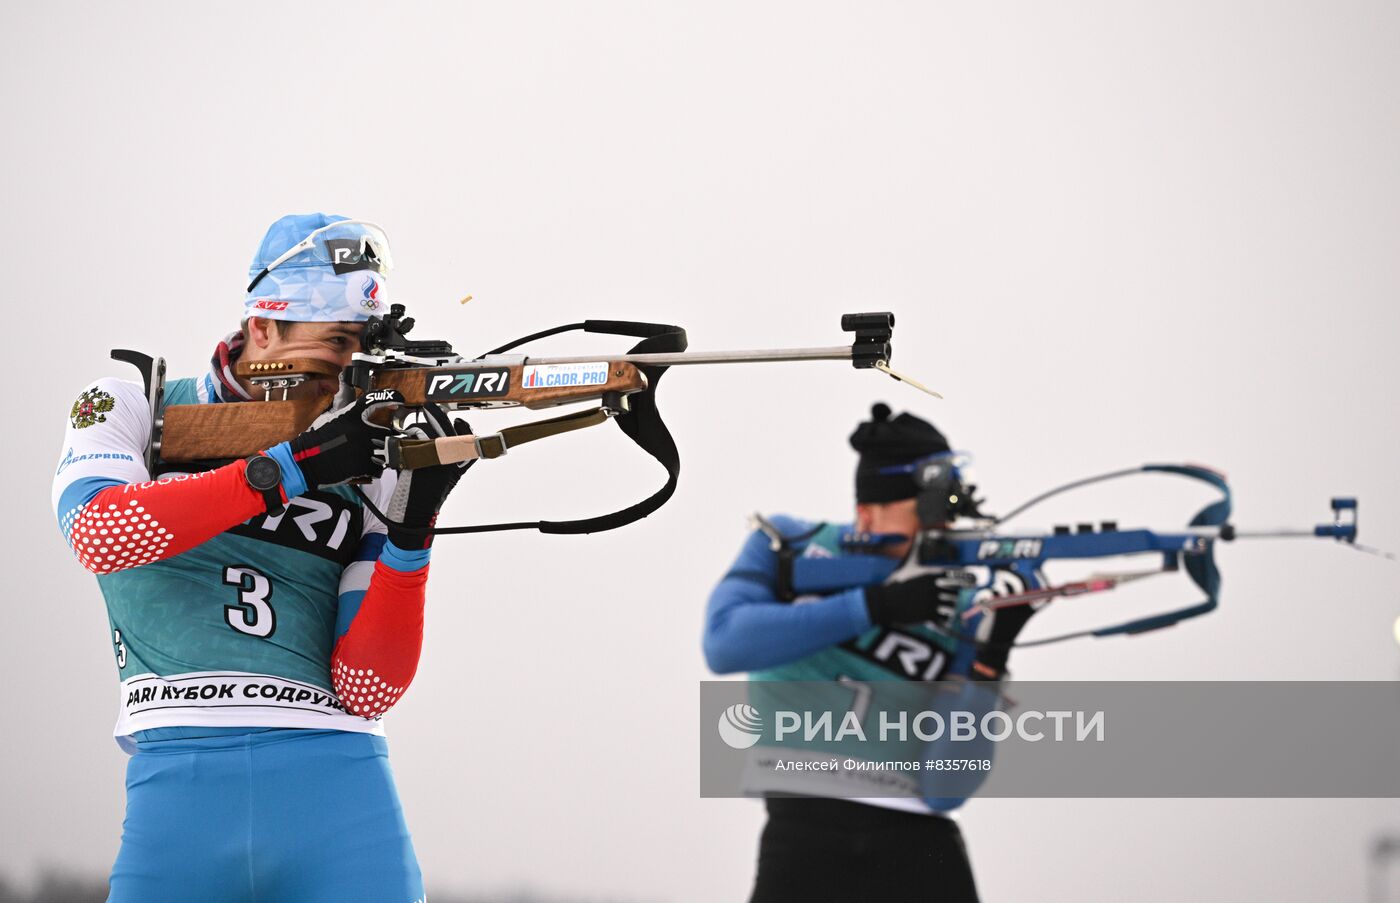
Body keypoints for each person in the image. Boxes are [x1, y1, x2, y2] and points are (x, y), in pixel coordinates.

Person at [52, 213, 466, 903]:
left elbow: (368, 686)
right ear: (263, 330)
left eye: (363, 346)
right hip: (176, 791)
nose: (348, 368)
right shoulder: (133, 404)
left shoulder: (368, 458)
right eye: (335, 341)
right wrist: (289, 468)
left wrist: (412, 529)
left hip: (340, 787)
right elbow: (100, 534)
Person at [704, 404, 1038, 903]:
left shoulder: (964, 600)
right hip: (804, 839)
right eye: (923, 514)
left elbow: (946, 788)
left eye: (947, 515)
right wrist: (874, 605)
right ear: (867, 513)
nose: (938, 532)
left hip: (919, 849)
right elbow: (725, 643)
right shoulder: (789, 549)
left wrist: (991, 655)